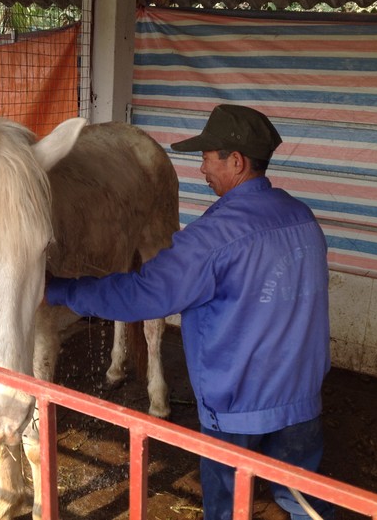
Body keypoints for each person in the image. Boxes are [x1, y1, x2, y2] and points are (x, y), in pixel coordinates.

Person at [45, 104, 335, 520]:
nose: (201, 170)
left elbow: (142, 294)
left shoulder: (213, 239)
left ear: (236, 161)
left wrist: (61, 289)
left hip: (236, 407)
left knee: (227, 506)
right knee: (304, 501)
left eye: (206, 157)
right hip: (301, 398)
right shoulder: (302, 219)